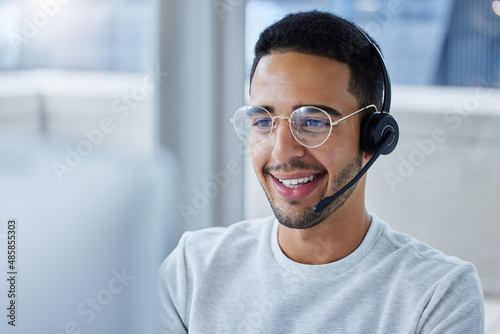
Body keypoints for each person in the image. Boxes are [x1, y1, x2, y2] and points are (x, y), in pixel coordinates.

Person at [158, 10, 484, 333]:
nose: (282, 151)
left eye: (313, 122)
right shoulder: (194, 269)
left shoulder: (439, 294)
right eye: (263, 122)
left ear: (375, 136)